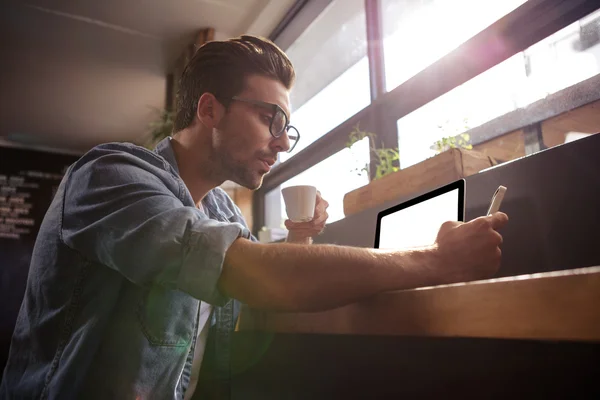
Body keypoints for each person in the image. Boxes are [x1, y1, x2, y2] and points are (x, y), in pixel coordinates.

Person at [0, 35, 508, 399]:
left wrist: (299, 239)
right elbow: (252, 273)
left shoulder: (218, 207)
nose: (283, 143)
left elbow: (262, 287)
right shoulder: (109, 176)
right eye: (272, 119)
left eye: (289, 127)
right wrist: (436, 261)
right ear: (209, 110)